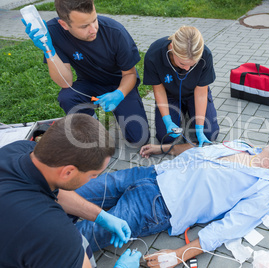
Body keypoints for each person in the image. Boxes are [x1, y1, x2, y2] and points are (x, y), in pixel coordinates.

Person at [74, 139, 269, 266]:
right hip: (151, 173)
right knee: (75, 192)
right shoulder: (243, 146)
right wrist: (162, 148)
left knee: (80, 237)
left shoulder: (263, 193)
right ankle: (38, 208)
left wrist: (179, 255)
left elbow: (226, 229)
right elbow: (199, 151)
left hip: (157, 206)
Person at [0, 114, 141, 268]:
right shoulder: (54, 233)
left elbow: (54, 190)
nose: (94, 179)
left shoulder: (20, 150)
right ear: (68, 172)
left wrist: (100, 216)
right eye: (93, 174)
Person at [22, 0, 150, 146]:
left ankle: (120, 108)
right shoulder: (52, 32)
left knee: (139, 139)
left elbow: (130, 74)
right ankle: (91, 127)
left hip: (120, 84)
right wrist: (48, 50)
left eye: (94, 20)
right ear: (64, 25)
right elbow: (65, 82)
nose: (93, 29)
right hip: (89, 83)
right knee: (67, 96)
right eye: (84, 26)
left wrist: (119, 94)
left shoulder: (114, 32)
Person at [143, 26, 220, 146]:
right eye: (182, 63)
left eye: (192, 64)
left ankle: (189, 110)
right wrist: (167, 121)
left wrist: (199, 128)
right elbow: (158, 91)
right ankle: (180, 112)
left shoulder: (205, 54)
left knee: (210, 133)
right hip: (169, 95)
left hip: (194, 94)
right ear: (172, 48)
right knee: (165, 137)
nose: (187, 69)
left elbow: (201, 93)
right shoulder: (154, 54)